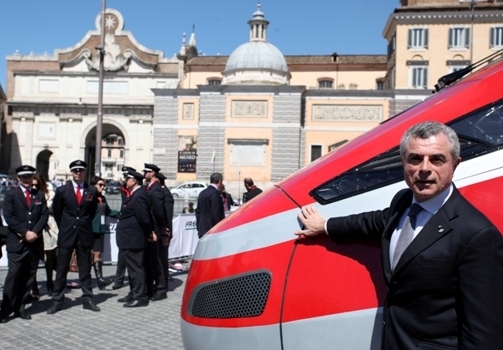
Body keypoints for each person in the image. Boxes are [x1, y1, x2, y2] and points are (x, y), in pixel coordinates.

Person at [295, 121, 503, 349]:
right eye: (415, 158)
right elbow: (373, 222)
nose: (424, 168)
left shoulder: (477, 235)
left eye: (437, 159)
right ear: (403, 163)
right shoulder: (402, 202)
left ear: (455, 164)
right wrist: (325, 225)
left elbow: (483, 333)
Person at [47, 160, 100, 314]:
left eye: (81, 170)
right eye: (75, 170)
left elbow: (92, 211)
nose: (78, 173)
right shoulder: (63, 190)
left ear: (85, 172)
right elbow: (57, 211)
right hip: (67, 233)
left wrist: (82, 223)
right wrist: (66, 225)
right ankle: (57, 300)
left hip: (84, 233)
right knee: (62, 268)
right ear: (71, 172)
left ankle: (87, 298)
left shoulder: (92, 190)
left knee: (85, 268)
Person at [0, 165, 48, 322]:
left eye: (29, 176)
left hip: (34, 242)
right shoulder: (11, 194)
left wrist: (35, 232)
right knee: (14, 275)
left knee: (28, 276)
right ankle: (6, 308)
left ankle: (20, 307)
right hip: (17, 242)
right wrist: (24, 232)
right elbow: (9, 216)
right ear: (18, 178)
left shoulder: (39, 195)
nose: (27, 179)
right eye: (24, 176)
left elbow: (44, 214)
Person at [116, 169, 151, 307]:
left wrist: (148, 233)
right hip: (129, 238)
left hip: (134, 238)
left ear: (133, 181)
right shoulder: (134, 195)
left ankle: (140, 296)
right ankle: (133, 292)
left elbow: (144, 219)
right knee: (132, 268)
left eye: (127, 179)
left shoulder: (139, 196)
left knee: (136, 268)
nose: (125, 181)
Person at [143, 163, 168, 301]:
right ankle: (154, 287)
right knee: (151, 260)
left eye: (146, 171)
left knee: (157, 261)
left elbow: (159, 212)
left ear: (152, 173)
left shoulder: (156, 190)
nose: (144, 173)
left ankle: (161, 289)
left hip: (155, 229)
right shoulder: (149, 188)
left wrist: (159, 230)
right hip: (152, 228)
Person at [90, 176, 120, 290]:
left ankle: (100, 279)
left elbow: (108, 211)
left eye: (103, 185)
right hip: (89, 229)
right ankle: (88, 280)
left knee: (98, 254)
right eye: (100, 185)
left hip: (100, 229)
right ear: (94, 185)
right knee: (88, 255)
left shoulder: (102, 198)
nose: (102, 187)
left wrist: (122, 214)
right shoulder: (89, 197)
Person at [32, 173, 58, 296]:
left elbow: (49, 209)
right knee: (34, 259)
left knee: (49, 257)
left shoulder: (49, 194)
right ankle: (34, 285)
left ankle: (49, 282)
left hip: (48, 228)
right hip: (34, 229)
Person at [112, 165, 135, 290]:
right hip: (124, 225)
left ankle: (132, 281)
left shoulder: (136, 190)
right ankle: (119, 279)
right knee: (122, 256)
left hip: (133, 226)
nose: (124, 179)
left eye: (126, 177)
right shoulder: (123, 189)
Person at [195, 173, 225, 238]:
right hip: (212, 230)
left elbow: (198, 212)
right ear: (220, 181)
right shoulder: (215, 193)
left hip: (202, 229)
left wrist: (199, 227)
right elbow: (215, 213)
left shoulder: (202, 192)